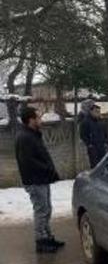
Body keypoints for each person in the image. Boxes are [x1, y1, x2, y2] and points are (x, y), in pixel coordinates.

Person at [14, 107, 63, 254]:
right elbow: (28, 162)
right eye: (38, 118)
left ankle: (48, 237)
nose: (40, 120)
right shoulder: (24, 137)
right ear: (31, 120)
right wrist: (48, 169)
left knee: (47, 209)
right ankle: (41, 241)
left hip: (41, 179)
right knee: (41, 211)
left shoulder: (33, 134)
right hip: (35, 181)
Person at [79, 100, 108, 168]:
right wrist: (89, 144)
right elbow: (83, 134)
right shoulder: (85, 122)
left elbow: (105, 132)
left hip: (102, 146)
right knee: (95, 165)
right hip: (93, 147)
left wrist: (106, 142)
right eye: (96, 112)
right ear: (91, 111)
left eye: (99, 112)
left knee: (103, 163)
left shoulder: (101, 121)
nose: (98, 113)